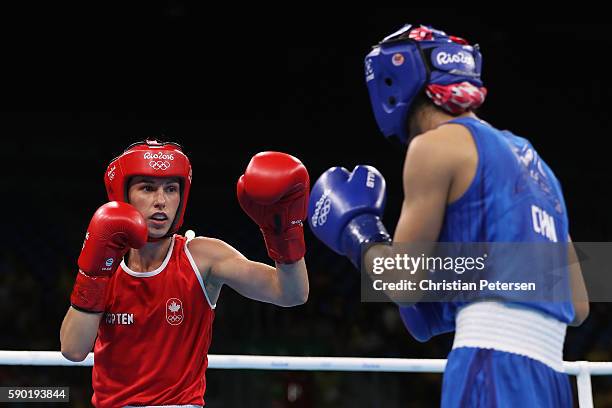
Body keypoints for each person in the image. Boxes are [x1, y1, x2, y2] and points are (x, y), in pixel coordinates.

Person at [307, 24, 589, 407]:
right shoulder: (535, 162)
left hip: (489, 365)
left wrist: (360, 235)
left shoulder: (435, 145)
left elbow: (403, 283)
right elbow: (578, 304)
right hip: (550, 377)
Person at [60, 139, 310, 407]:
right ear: (124, 195)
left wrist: (283, 231)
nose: (161, 201)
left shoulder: (202, 257)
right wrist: (94, 274)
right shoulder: (105, 264)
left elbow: (291, 294)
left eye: (171, 189)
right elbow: (73, 350)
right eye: (147, 188)